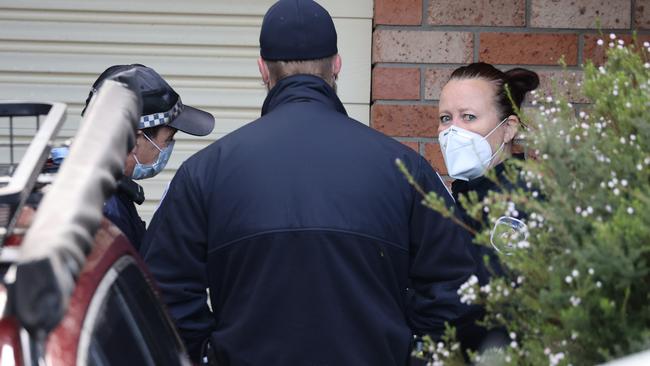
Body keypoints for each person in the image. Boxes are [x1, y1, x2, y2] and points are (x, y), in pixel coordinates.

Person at [140, 1, 476, 364]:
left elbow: (159, 295)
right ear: (337, 65)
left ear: (262, 70)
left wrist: (210, 355)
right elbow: (458, 293)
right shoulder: (406, 169)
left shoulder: (204, 172)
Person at [437, 62, 539, 352]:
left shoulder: (525, 199)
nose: (452, 131)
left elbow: (488, 298)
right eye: (445, 118)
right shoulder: (460, 197)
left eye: (468, 117)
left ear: (508, 129)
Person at [81, 64, 215, 251]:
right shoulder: (107, 218)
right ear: (134, 139)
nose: (167, 148)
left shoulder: (102, 189)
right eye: (167, 139)